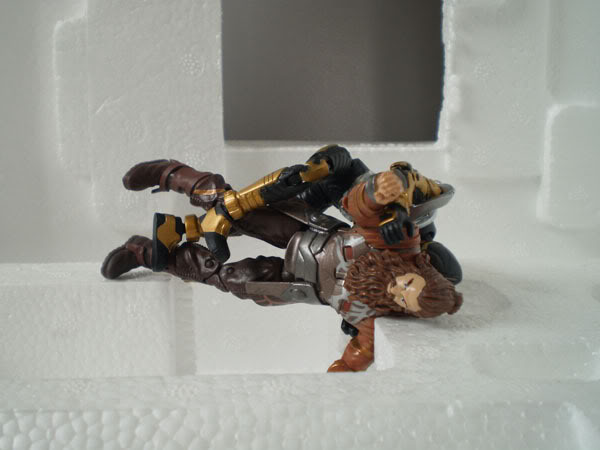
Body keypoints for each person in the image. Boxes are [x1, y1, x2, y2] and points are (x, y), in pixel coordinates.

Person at [101, 146, 463, 371]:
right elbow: (362, 205)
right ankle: (173, 174)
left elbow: (359, 353)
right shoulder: (396, 244)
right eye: (408, 284)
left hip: (299, 284)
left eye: (403, 299)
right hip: (310, 233)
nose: (398, 289)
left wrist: (342, 375)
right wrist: (379, 194)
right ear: (420, 270)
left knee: (227, 279)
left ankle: (147, 253)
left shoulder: (371, 315)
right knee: (235, 209)